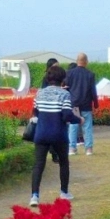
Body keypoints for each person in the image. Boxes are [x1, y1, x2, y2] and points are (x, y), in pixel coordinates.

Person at [29, 65, 80, 207]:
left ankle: (34, 196)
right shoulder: (65, 94)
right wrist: (79, 119)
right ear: (62, 78)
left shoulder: (39, 93)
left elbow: (35, 112)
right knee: (63, 162)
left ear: (48, 78)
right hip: (59, 134)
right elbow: (66, 116)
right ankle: (64, 192)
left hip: (41, 133)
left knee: (38, 165)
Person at [65, 52, 97, 156]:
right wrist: (95, 103)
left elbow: (66, 88)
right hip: (86, 103)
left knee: (73, 126)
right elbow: (93, 91)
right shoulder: (90, 74)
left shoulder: (69, 73)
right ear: (86, 62)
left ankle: (72, 148)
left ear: (77, 61)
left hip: (74, 104)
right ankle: (88, 149)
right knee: (87, 127)